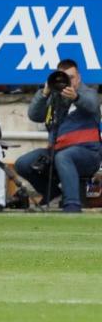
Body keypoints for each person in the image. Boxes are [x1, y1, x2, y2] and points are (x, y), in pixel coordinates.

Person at [15, 59, 101, 213]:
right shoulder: (55, 97)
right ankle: (53, 193)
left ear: (79, 78)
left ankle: (72, 206)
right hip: (57, 151)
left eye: (71, 77)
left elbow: (92, 104)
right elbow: (34, 115)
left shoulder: (88, 93)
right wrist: (44, 92)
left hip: (88, 153)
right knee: (23, 163)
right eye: (63, 78)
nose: (68, 81)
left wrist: (76, 97)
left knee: (64, 157)